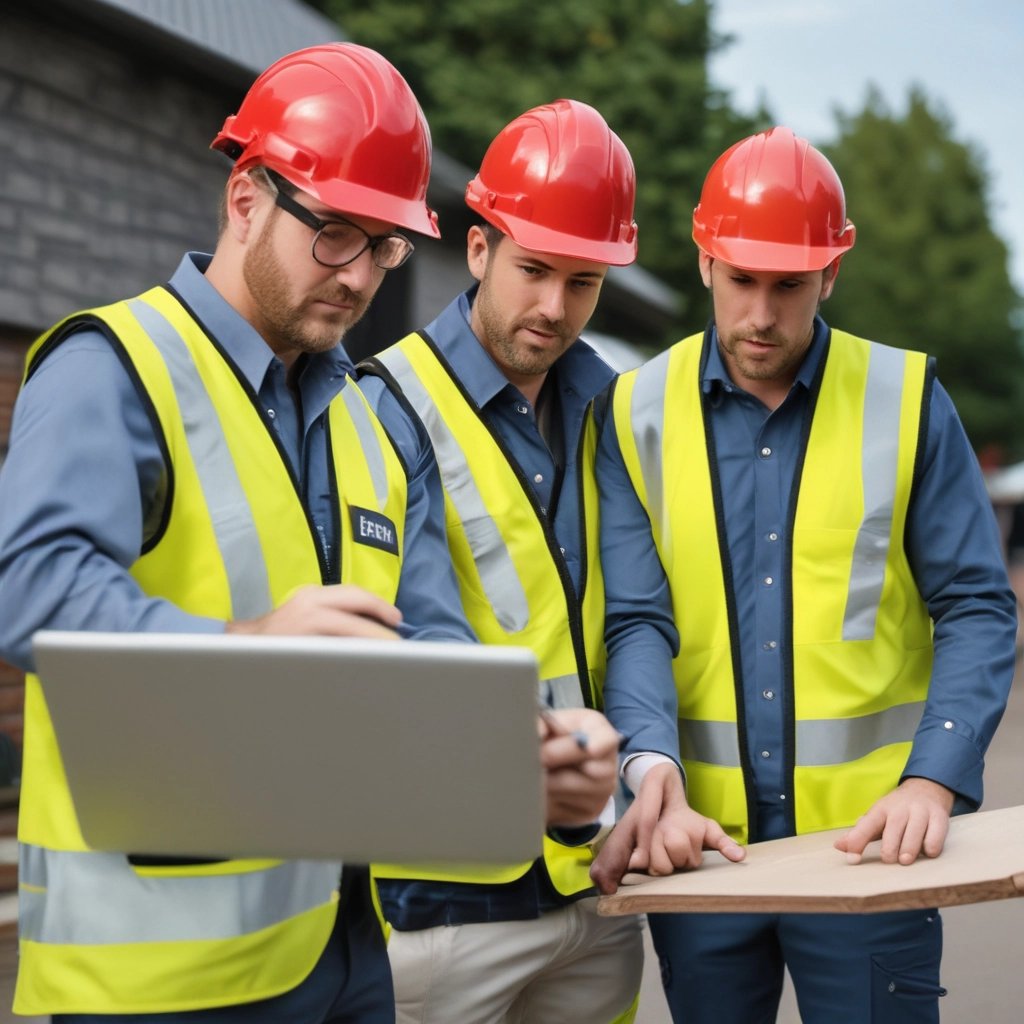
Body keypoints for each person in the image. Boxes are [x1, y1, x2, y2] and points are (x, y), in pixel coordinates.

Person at [0, 43, 620, 1022]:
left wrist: (529, 752)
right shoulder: (113, 366)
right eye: (335, 232)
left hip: (344, 960)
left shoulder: (369, 424)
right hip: (153, 984)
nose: (361, 273)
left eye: (385, 245)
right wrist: (247, 652)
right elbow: (32, 591)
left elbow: (428, 647)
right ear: (246, 197)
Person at [590, 126, 1017, 1024]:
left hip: (871, 851)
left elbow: (976, 606)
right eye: (741, 278)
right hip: (700, 851)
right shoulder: (633, 413)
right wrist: (650, 758)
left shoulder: (906, 402)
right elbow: (636, 619)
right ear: (705, 258)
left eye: (789, 285)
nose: (760, 315)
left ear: (833, 270)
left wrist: (933, 777)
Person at [357, 99, 645, 1024]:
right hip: (449, 902)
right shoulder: (385, 403)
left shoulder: (612, 409)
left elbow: (637, 612)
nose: (555, 309)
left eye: (584, 281)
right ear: (477, 248)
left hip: (594, 892)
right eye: (533, 270)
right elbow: (419, 629)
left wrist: (644, 773)